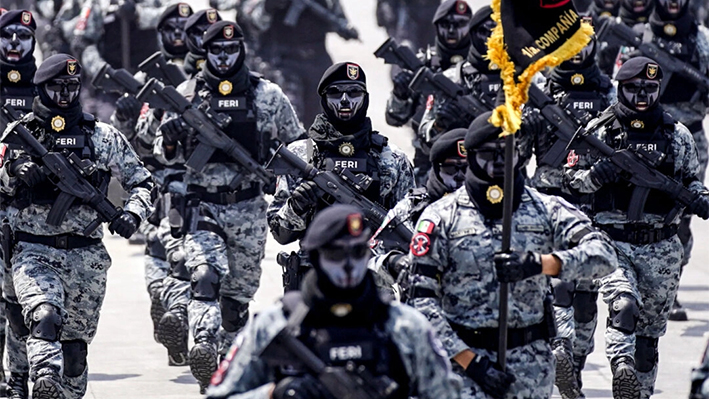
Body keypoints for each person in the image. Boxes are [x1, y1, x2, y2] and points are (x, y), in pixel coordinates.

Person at [407, 112, 618, 399]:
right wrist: (470, 362)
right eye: (487, 154)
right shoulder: (441, 216)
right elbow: (420, 300)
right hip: (462, 366)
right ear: (470, 157)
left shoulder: (546, 208)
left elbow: (604, 255)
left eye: (506, 153)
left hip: (530, 365)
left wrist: (542, 264)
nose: (498, 163)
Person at [153, 20, 304, 393]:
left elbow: (299, 146)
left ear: (242, 51)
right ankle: (202, 342)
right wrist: (171, 140)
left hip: (249, 208)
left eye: (230, 50)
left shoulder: (267, 95)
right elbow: (159, 151)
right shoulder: (187, 93)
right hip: (202, 204)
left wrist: (279, 172)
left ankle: (223, 368)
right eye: (215, 51)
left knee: (235, 304)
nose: (223, 57)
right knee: (204, 276)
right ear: (204, 53)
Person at [0, 54, 154, 399]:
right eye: (57, 86)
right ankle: (43, 380)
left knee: (75, 353)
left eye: (71, 86)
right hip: (33, 249)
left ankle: (64, 389)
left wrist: (132, 213)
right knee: (44, 317)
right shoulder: (20, 135)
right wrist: (13, 173)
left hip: (86, 257)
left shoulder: (102, 136)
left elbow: (143, 182)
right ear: (41, 88)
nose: (65, 93)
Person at [205, 204, 463, 399]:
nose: (349, 265)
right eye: (336, 254)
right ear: (316, 258)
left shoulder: (405, 327)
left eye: (358, 252)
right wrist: (276, 393)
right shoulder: (275, 325)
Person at [565, 56, 709, 399]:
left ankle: (636, 388)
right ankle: (620, 366)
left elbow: (692, 180)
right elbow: (570, 180)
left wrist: (700, 199)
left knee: (648, 341)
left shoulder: (677, 135)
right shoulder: (599, 131)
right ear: (620, 87)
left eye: (650, 88)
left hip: (662, 249)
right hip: (612, 240)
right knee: (623, 306)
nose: (642, 95)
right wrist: (595, 177)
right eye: (634, 89)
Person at [267, 61, 415, 292]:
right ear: (324, 99)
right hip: (313, 280)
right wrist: (296, 206)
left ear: (365, 98)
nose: (345, 100)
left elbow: (408, 232)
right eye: (335, 93)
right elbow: (280, 233)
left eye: (354, 92)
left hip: (371, 281)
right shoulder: (300, 154)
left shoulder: (392, 159)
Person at [527, 31, 616, 399]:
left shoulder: (609, 90)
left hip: (593, 203)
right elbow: (514, 146)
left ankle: (573, 365)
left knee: (585, 295)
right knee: (552, 285)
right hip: (548, 200)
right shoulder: (538, 90)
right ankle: (557, 351)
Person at [619, 0, 709, 322]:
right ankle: (627, 288)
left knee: (679, 215)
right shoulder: (639, 36)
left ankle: (669, 290)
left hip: (689, 139)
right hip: (637, 138)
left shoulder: (702, 41)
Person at [368, 128, 468, 296]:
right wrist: (394, 262)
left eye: (467, 169)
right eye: (451, 169)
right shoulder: (411, 208)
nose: (459, 176)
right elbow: (370, 261)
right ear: (436, 168)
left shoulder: (491, 208)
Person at [385, 0, 473, 185]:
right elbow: (394, 118)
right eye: (445, 25)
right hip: (429, 162)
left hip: (474, 161)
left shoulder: (480, 66)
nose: (451, 31)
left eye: (459, 25)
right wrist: (400, 94)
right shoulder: (422, 65)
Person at [239, 0, 358, 126]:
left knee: (322, 118)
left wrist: (344, 28)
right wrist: (269, 6)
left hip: (318, 62)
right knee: (290, 117)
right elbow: (252, 22)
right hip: (283, 63)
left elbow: (338, 18)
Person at [0, 10, 38, 399]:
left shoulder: (47, 86)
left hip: (30, 213)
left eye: (22, 36)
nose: (14, 43)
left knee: (18, 304)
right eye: (7, 36)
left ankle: (18, 378)